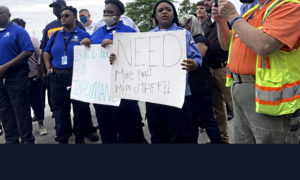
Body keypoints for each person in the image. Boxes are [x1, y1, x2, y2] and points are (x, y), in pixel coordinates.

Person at [213, 0, 300, 143]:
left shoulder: (290, 7)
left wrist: (232, 15)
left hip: (269, 97)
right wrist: (221, 21)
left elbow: (264, 45)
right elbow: (226, 44)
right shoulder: (250, 13)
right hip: (241, 90)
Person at [132, 0, 201, 143]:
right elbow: (136, 61)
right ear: (155, 16)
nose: (164, 12)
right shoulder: (147, 36)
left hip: (179, 97)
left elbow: (197, 59)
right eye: (161, 10)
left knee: (182, 136)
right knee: (158, 136)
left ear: (174, 14)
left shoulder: (184, 34)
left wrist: (193, 64)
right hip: (154, 98)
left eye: (168, 10)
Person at [81, 0, 147, 144]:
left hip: (123, 90)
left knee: (126, 130)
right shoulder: (99, 31)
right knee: (106, 129)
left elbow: (138, 56)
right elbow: (93, 53)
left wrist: (116, 46)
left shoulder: (129, 32)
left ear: (118, 15)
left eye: (110, 12)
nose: (106, 15)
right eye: (104, 12)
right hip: (102, 91)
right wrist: (87, 43)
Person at [40, 0, 99, 142]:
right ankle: (63, 137)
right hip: (57, 76)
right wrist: (48, 67)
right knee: (60, 110)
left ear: (74, 18)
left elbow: (94, 54)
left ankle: (80, 137)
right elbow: (46, 52)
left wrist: (88, 44)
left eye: (66, 16)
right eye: (62, 16)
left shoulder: (83, 34)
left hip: (77, 76)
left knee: (79, 108)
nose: (63, 18)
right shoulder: (55, 34)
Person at [180, 15, 222, 143]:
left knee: (206, 118)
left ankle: (217, 142)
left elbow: (197, 59)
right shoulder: (190, 39)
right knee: (193, 119)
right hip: (192, 85)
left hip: (200, 84)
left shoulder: (199, 39)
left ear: (190, 25)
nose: (180, 28)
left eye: (182, 26)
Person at [0, 6, 35, 144]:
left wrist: (6, 66)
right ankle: (11, 141)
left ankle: (27, 141)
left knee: (21, 111)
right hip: (1, 79)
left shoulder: (18, 31)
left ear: (8, 15)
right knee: (4, 111)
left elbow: (28, 50)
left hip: (16, 76)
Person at [201, 0, 233, 143]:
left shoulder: (227, 16)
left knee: (234, 103)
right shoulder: (205, 23)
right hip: (210, 70)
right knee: (217, 108)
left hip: (225, 68)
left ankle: (246, 138)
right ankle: (222, 139)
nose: (209, 2)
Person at [11, 18, 48, 136]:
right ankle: (26, 128)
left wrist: (40, 70)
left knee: (37, 102)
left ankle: (41, 124)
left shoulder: (32, 39)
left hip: (33, 76)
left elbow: (39, 55)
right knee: (21, 104)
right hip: (18, 78)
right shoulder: (12, 40)